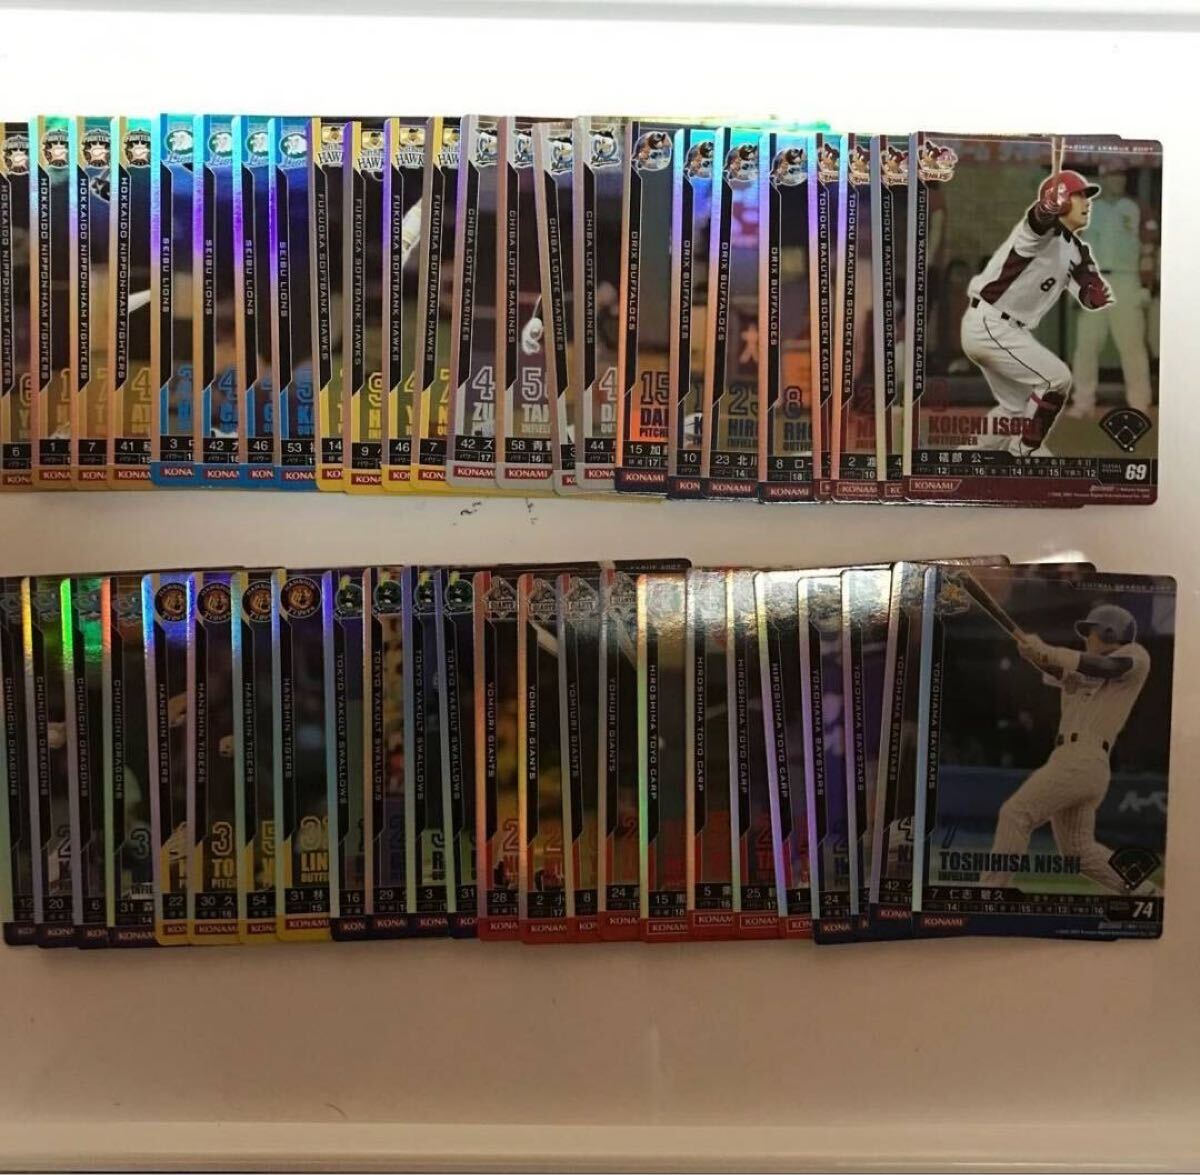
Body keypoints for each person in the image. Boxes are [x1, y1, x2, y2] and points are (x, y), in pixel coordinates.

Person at [982, 604, 1150, 892]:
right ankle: (1148, 894)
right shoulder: (1082, 668)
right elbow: (1056, 666)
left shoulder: (1135, 656)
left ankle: (991, 893)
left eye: (1091, 631)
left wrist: (1048, 649)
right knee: (1079, 853)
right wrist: (1035, 654)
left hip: (1084, 756)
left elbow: (1105, 667)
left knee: (1015, 814)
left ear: (1110, 632)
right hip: (1073, 759)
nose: (1088, 637)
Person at [960, 170, 1112, 457]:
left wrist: (1092, 294)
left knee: (1016, 408)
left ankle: (967, 457)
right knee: (1057, 378)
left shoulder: (1077, 249)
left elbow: (1087, 285)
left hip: (1005, 328)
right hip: (990, 323)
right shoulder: (1039, 234)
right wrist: (1045, 209)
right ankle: (1025, 452)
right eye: (1079, 196)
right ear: (1062, 200)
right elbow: (1037, 222)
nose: (1087, 202)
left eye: (1086, 197)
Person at [1068, 168, 1153, 415]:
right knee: (1086, 344)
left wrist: (1146, 285)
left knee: (1132, 345)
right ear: (1103, 178)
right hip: (1094, 278)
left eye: (1121, 175)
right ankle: (1083, 401)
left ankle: (1139, 402)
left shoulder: (1137, 207)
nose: (1118, 179)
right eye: (1113, 175)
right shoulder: (1086, 207)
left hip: (1127, 278)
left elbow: (1149, 247)